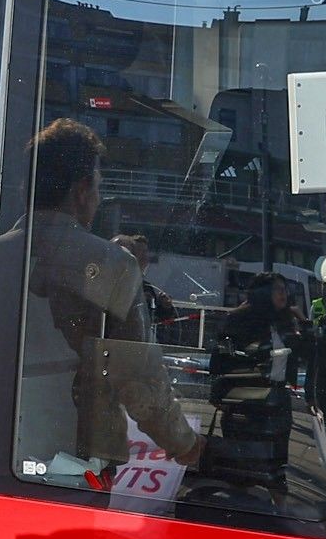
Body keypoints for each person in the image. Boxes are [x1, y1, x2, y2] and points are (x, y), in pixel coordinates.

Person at [19, 116, 205, 475]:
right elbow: (139, 381)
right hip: (77, 459)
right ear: (83, 189)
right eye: (99, 187)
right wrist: (183, 442)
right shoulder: (109, 263)